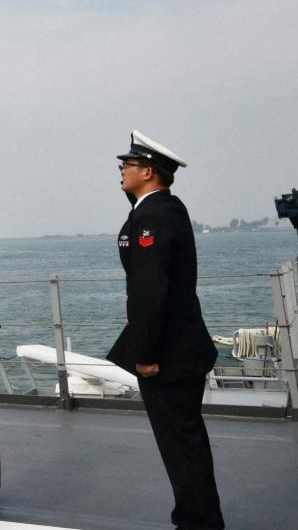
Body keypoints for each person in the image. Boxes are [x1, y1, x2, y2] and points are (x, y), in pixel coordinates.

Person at [107, 131, 224, 530]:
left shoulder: (154, 216)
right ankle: (195, 517)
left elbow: (149, 290)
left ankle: (198, 522)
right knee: (182, 442)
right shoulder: (159, 209)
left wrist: (145, 353)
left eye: (129, 164)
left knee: (181, 443)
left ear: (150, 172)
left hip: (168, 353)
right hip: (179, 346)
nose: (121, 169)